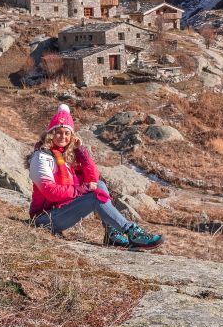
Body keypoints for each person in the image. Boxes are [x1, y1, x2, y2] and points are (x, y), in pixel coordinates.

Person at [27, 104, 162, 249]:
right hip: (43, 219)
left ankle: (111, 233)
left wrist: (81, 151)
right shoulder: (42, 157)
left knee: (100, 185)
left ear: (72, 136)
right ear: (50, 134)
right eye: (58, 132)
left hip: (59, 212)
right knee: (94, 196)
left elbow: (93, 177)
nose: (63, 137)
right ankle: (131, 232)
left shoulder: (65, 156)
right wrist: (83, 189)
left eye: (67, 133)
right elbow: (51, 192)